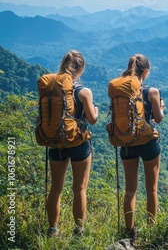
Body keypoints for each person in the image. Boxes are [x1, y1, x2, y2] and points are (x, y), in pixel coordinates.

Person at [46, 50, 99, 237]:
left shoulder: (51, 88)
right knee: (79, 188)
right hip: (78, 143)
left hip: (56, 142)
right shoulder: (84, 92)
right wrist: (95, 111)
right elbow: (92, 120)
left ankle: (53, 229)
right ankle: (79, 230)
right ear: (81, 69)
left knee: (55, 188)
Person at [119, 54, 164, 240]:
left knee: (130, 190)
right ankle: (151, 229)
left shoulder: (120, 90)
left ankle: (130, 231)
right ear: (145, 71)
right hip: (148, 143)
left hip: (127, 143)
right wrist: (160, 107)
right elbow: (158, 119)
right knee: (151, 189)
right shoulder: (151, 92)